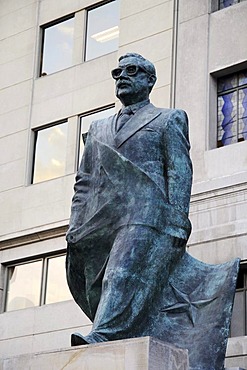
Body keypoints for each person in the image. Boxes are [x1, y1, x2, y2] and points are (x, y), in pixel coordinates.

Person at [66, 53, 193, 346]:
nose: (122, 76)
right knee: (87, 281)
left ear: (150, 80)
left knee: (119, 275)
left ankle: (103, 334)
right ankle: (116, 328)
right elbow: (84, 181)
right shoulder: (97, 128)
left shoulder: (168, 118)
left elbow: (179, 170)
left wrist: (177, 219)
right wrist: (75, 222)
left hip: (147, 213)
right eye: (117, 72)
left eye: (132, 70)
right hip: (101, 217)